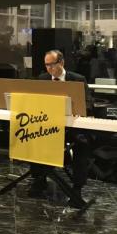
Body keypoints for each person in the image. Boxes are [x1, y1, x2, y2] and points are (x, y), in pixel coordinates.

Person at [29, 49, 93, 207]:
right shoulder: (43, 79)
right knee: (31, 136)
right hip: (49, 126)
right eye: (47, 65)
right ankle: (39, 179)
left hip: (71, 128)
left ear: (62, 62)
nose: (49, 68)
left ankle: (77, 188)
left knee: (82, 144)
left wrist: (78, 110)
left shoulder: (77, 79)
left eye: (52, 64)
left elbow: (88, 103)